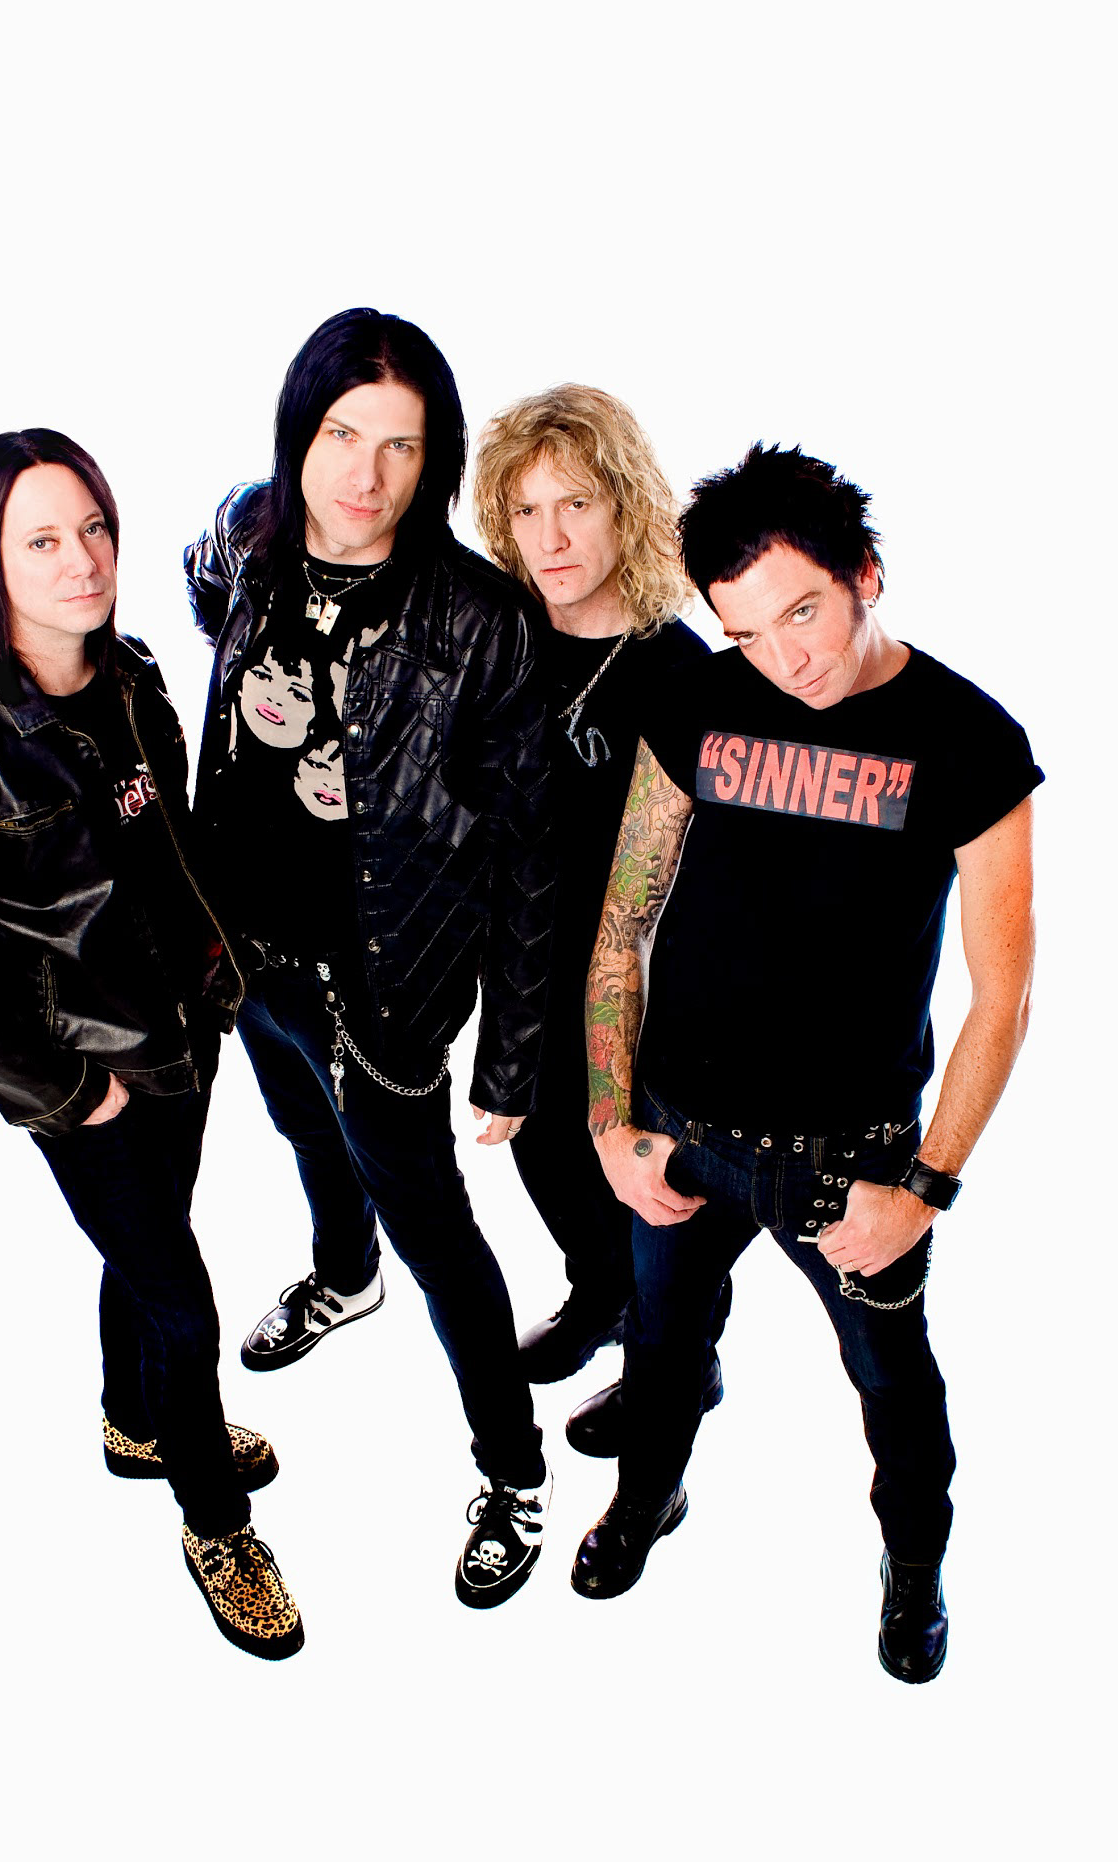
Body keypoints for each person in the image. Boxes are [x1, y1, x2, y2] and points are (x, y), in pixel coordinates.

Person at [577, 442, 1041, 1682]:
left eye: (802, 611)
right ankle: (648, 1494)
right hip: (680, 1125)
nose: (785, 657)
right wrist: (611, 1122)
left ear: (864, 575)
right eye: (745, 630)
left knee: (895, 1387)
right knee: (660, 1348)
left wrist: (923, 1189)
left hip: (856, 1159)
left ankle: (914, 1563)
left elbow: (1002, 993)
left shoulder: (969, 741)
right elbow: (622, 921)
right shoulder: (697, 704)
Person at [0, 428, 302, 1661]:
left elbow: (173, 848)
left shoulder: (133, 678)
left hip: (188, 1035)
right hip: (90, 1080)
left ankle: (134, 1422)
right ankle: (214, 1521)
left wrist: (224, 979)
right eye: (44, 541)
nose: (83, 561)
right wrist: (72, 1091)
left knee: (146, 1251)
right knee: (185, 1303)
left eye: (95, 528)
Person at [185, 310, 555, 1609]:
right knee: (300, 1128)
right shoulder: (248, 539)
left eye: (400, 445)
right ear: (300, 432)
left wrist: (510, 1055)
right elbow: (207, 602)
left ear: (433, 458)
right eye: (343, 434)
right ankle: (344, 1280)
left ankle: (512, 1473)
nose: (366, 473)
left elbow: (528, 856)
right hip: (248, 955)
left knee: (437, 1231)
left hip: (383, 990)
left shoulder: (481, 621)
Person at [472, 383, 730, 1406]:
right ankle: (601, 1296)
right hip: (523, 967)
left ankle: (682, 1358)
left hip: (641, 984)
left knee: (653, 1182)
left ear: (625, 506)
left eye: (575, 504)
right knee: (542, 1151)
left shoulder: (681, 673)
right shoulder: (500, 639)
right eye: (527, 510)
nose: (551, 537)